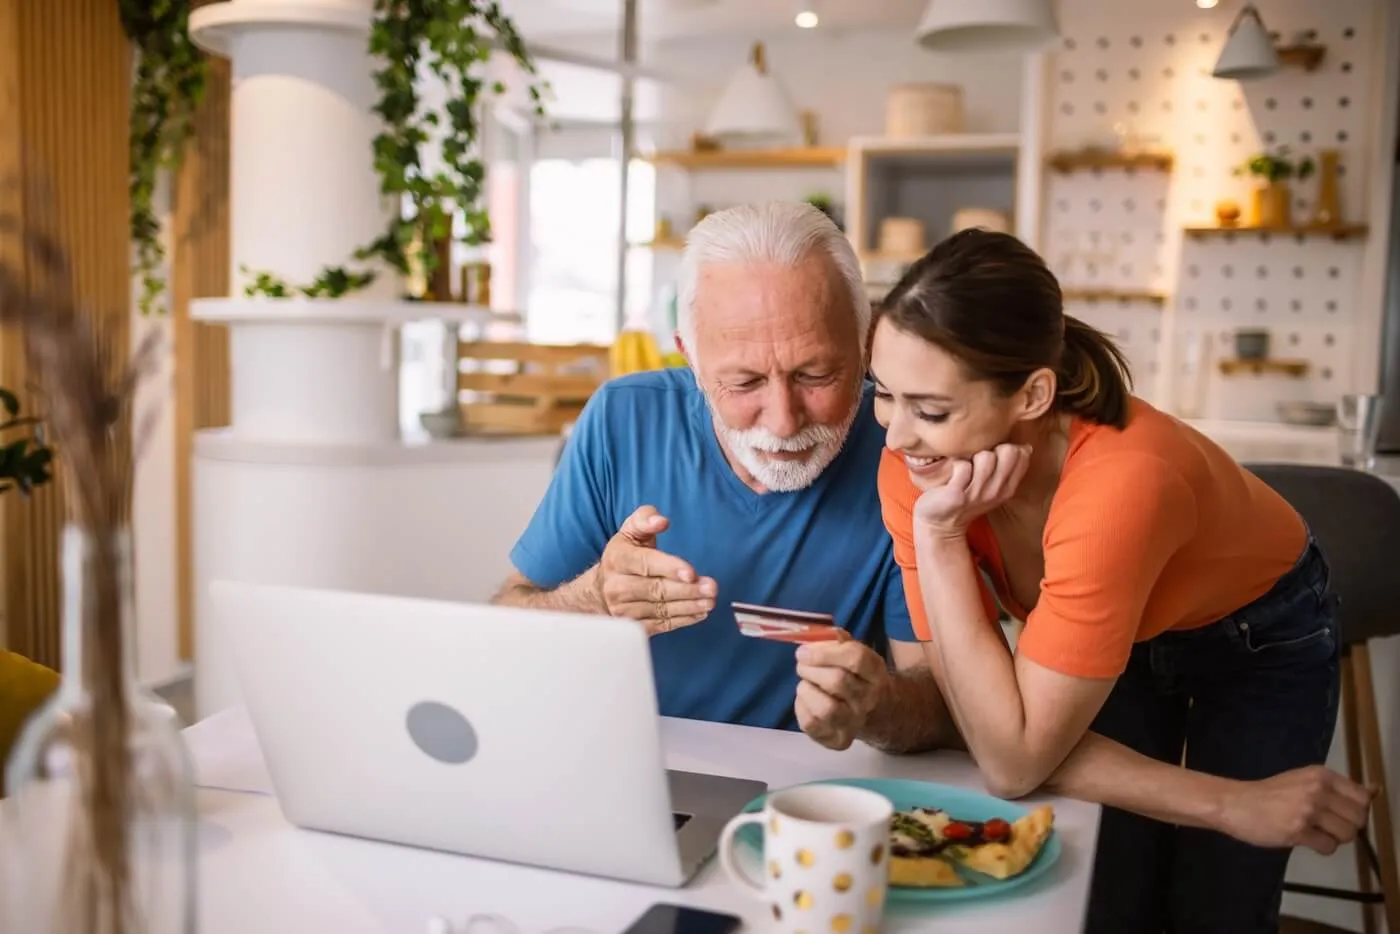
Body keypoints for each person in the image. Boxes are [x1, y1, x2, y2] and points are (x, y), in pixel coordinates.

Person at [870, 227, 1373, 933]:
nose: (895, 436)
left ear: (1033, 393)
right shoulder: (916, 472)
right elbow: (1002, 748)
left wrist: (1013, 729)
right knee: (1102, 894)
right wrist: (940, 533)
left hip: (1260, 634)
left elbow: (1007, 748)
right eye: (884, 394)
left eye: (931, 410)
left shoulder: (1122, 482)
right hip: (1128, 637)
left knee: (1215, 909)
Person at [492, 201, 952, 752]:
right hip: (630, 765)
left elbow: (942, 704)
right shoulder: (623, 418)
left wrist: (878, 708)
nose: (783, 420)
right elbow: (506, 629)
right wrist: (592, 598)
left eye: (816, 374)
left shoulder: (908, 452)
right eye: (744, 382)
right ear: (690, 358)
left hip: (807, 788)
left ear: (865, 345)